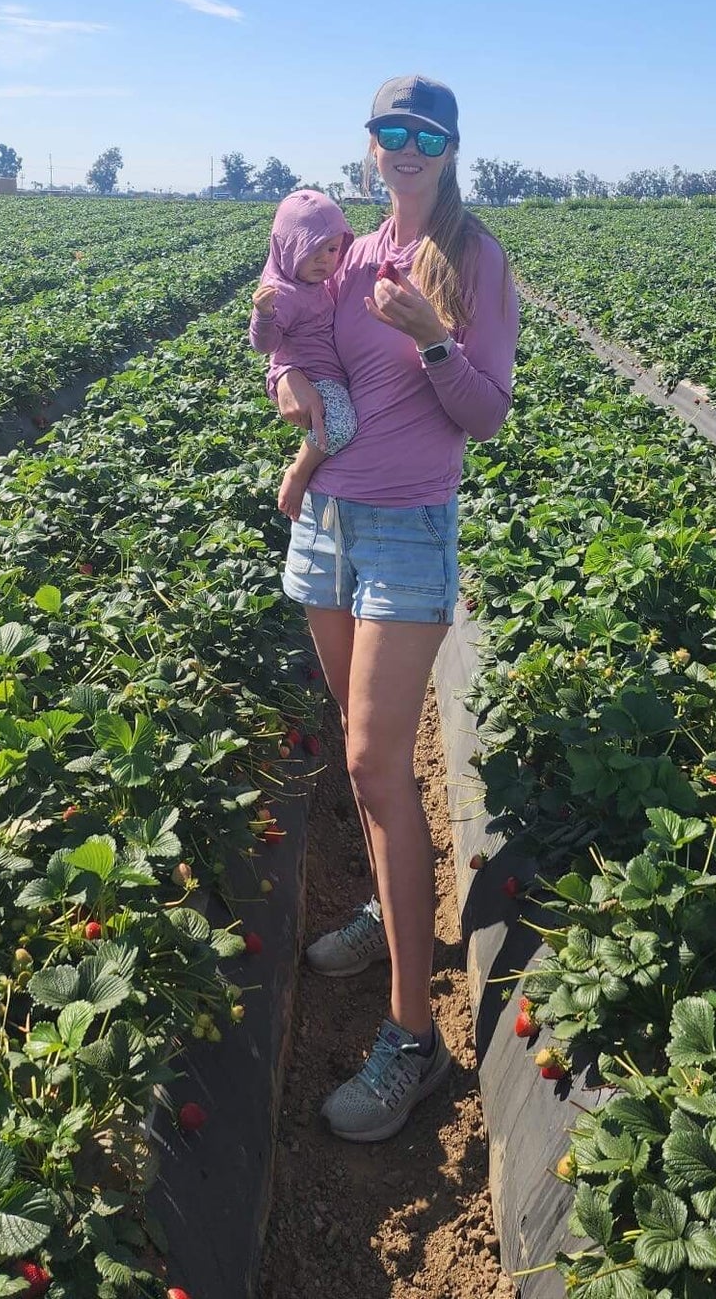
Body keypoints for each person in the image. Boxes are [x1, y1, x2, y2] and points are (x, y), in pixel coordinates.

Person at [268, 74, 520, 1143]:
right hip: (327, 526)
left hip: (410, 533)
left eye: (423, 132)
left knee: (376, 765)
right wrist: (284, 384)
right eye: (388, 131)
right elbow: (299, 352)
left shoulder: (470, 258)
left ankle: (413, 1039)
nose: (403, 146)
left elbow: (487, 413)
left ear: (450, 146)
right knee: (366, 758)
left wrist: (429, 334)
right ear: (369, 147)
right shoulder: (349, 252)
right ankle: (390, 901)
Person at [249, 190, 357, 521]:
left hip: (326, 374)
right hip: (312, 378)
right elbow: (265, 345)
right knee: (340, 427)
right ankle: (299, 472)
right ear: (289, 246)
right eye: (313, 249)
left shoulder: (319, 283)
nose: (325, 259)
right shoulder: (282, 293)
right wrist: (263, 314)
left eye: (332, 249)